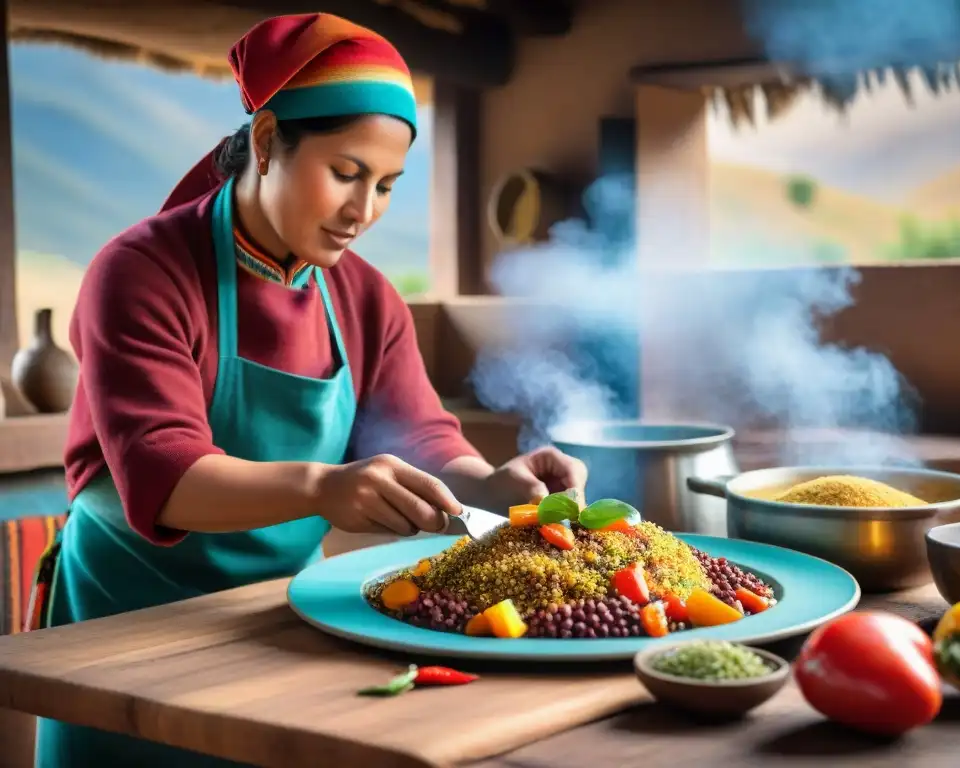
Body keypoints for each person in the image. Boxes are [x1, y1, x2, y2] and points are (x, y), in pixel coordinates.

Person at [31, 12, 586, 767]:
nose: (365, 212)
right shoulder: (141, 273)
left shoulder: (364, 298)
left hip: (275, 625)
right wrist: (324, 486)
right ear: (266, 142)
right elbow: (165, 476)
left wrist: (490, 486)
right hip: (126, 631)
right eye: (347, 173)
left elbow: (419, 435)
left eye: (387, 185)